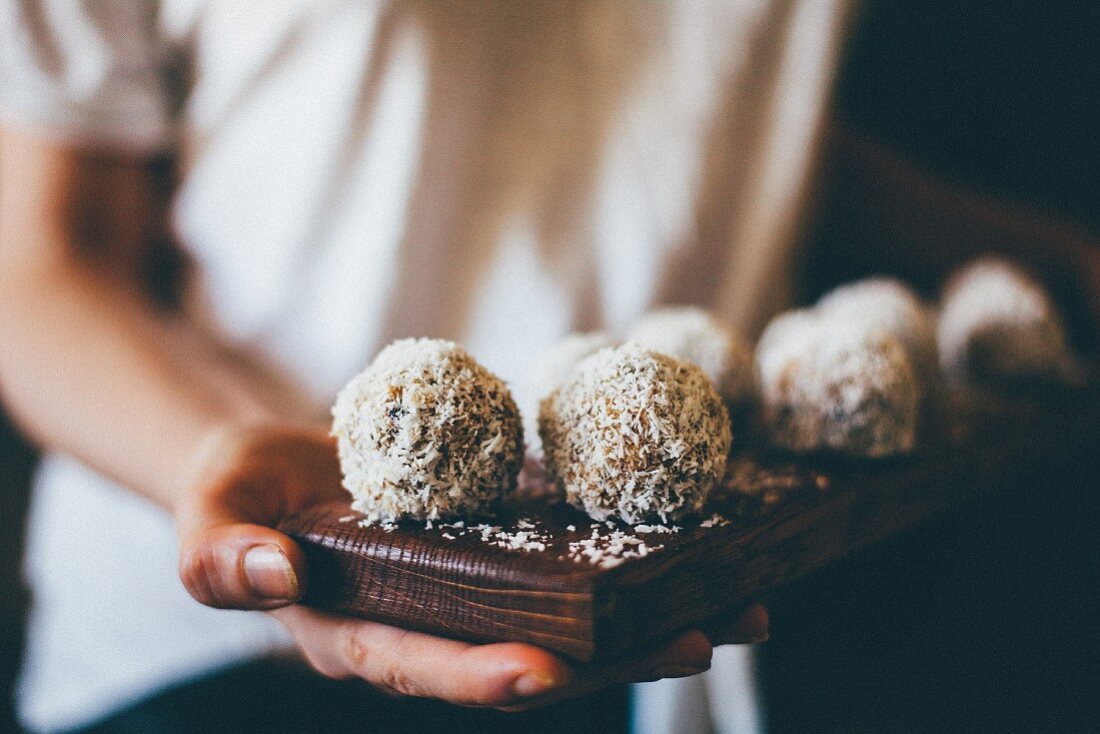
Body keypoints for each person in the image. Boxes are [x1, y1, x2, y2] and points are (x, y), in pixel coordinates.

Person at [0, 2, 1096, 733]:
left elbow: (713, 119)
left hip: (656, 622)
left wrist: (1048, 259)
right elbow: (43, 263)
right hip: (213, 657)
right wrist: (226, 459)